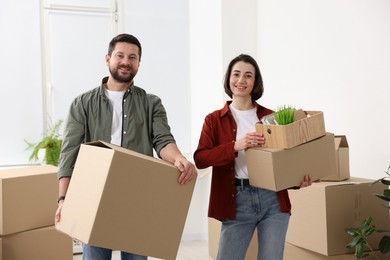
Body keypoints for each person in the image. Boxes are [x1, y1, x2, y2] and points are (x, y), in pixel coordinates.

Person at [54, 33, 197, 260]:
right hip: (94, 198)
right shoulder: (82, 103)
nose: (126, 61)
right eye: (120, 55)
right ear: (108, 58)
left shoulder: (151, 103)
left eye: (132, 57)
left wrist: (178, 157)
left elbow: (162, 140)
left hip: (137, 198)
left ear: (139, 63)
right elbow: (69, 153)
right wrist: (63, 200)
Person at [193, 54, 312, 260]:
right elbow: (201, 158)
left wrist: (298, 181)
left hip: (273, 200)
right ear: (228, 79)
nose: (241, 81)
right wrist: (236, 146)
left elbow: (285, 160)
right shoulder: (214, 120)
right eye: (236, 74)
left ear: (255, 82)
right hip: (236, 200)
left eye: (248, 76)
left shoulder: (271, 117)